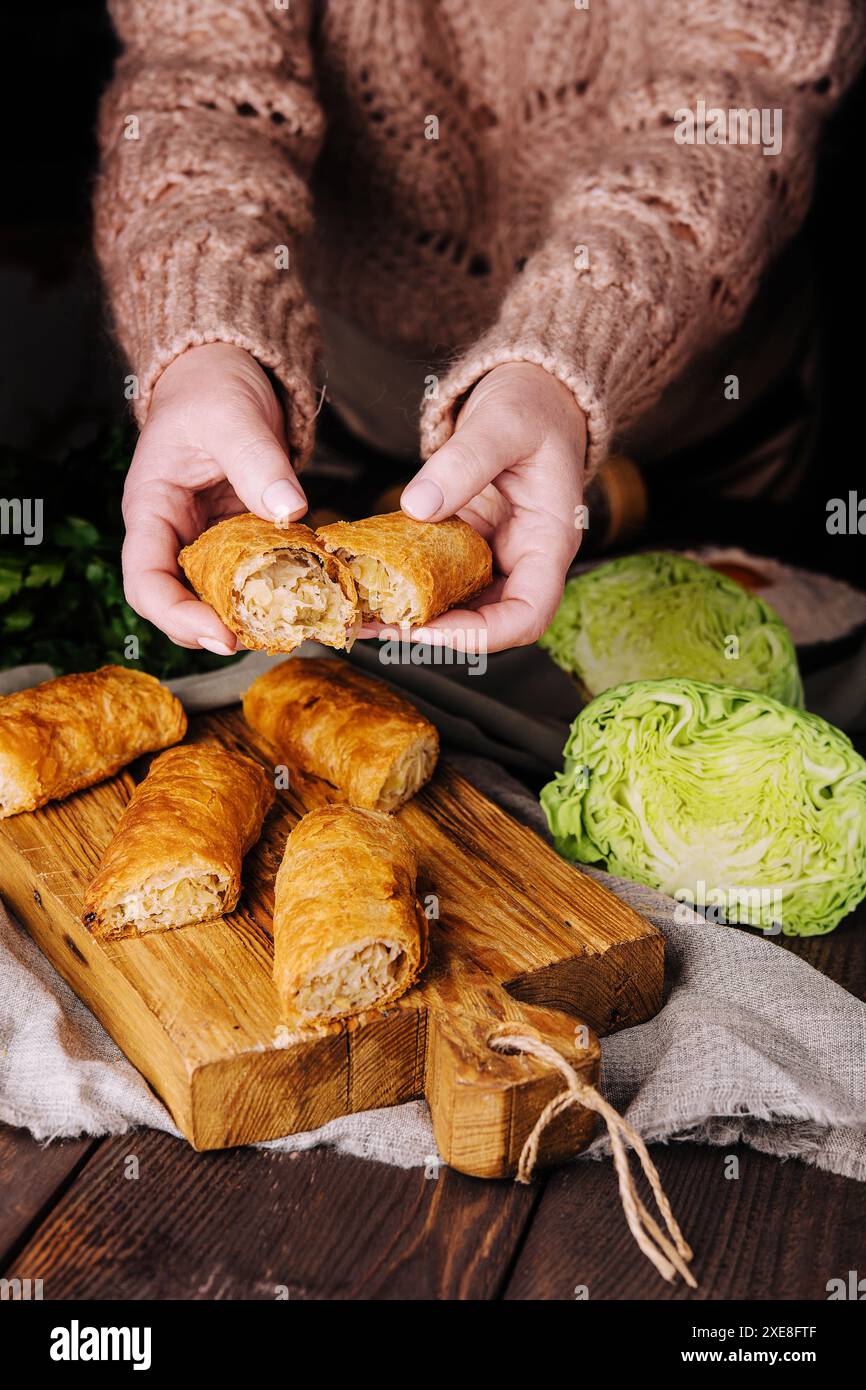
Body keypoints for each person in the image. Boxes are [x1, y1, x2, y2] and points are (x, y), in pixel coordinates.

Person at [94, 0, 864, 656]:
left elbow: (736, 99)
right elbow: (199, 86)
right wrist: (206, 340)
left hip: (701, 403)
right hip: (336, 399)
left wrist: (567, 357)